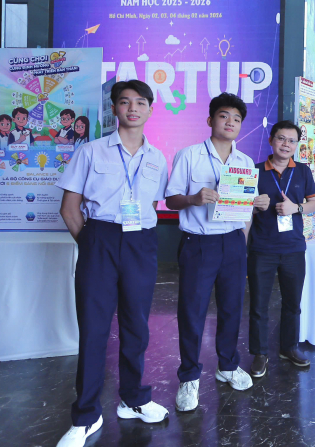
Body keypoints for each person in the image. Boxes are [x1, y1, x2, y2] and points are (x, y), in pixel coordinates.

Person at [56, 80, 170, 447]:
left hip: (141, 241)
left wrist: (128, 242)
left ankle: (133, 399)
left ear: (150, 109)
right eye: (124, 102)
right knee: (93, 329)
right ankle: (86, 415)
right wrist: (93, 246)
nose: (132, 108)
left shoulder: (157, 158)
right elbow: (69, 209)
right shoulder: (90, 151)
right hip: (100, 239)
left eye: (140, 102)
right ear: (115, 109)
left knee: (137, 325)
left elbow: (151, 205)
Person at [166, 93, 270, 411]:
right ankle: (189, 377)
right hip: (199, 243)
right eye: (224, 116)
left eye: (237, 119)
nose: (230, 122)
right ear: (211, 120)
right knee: (192, 312)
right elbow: (171, 200)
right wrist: (193, 199)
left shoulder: (244, 163)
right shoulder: (189, 155)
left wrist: (258, 206)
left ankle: (227, 365)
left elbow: (246, 208)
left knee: (231, 308)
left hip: (233, 242)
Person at [247, 120, 315, 377]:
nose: (286, 144)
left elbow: (314, 204)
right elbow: (240, 207)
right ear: (271, 140)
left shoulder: (303, 171)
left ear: (296, 145)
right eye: (281, 138)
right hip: (262, 248)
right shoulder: (254, 171)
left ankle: (289, 347)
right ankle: (260, 353)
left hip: (293, 248)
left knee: (292, 303)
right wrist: (254, 206)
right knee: (259, 304)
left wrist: (296, 208)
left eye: (291, 140)